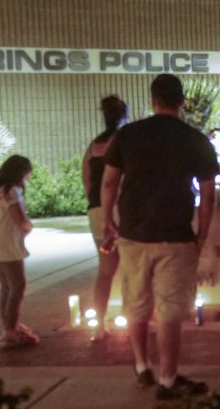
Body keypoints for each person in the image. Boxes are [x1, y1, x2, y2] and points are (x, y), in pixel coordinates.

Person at [101, 74, 218, 400]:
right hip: (176, 235)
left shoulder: (129, 135)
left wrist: (108, 219)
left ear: (153, 100)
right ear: (182, 102)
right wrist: (201, 236)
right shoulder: (195, 139)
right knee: (169, 310)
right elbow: (208, 195)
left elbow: (110, 182)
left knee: (136, 305)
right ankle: (168, 379)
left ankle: (141, 367)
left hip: (134, 234)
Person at [82, 94, 128, 342]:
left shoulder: (93, 146)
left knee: (105, 270)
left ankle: (99, 324)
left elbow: (87, 180)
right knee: (132, 267)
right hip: (122, 209)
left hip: (97, 211)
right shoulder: (124, 140)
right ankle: (133, 317)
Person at [0, 154, 39, 350]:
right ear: (20, 172)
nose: (28, 177)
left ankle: (10, 326)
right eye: (27, 173)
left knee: (6, 287)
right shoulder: (11, 191)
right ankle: (10, 332)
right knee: (18, 287)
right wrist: (29, 227)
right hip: (8, 245)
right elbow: (19, 219)